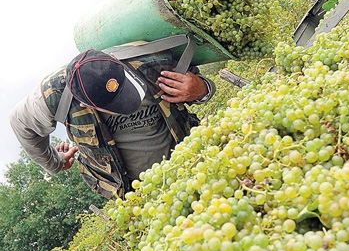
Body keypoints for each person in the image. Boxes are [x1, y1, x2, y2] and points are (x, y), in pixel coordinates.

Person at [9, 45, 216, 199]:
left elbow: (204, 88)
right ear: (84, 104)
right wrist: (54, 162)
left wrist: (202, 89)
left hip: (192, 164)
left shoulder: (150, 60)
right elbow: (19, 122)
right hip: (136, 195)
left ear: (115, 60)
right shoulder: (52, 95)